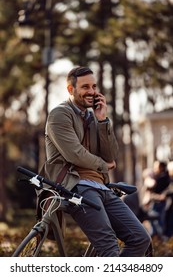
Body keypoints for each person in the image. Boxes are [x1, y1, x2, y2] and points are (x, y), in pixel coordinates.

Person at [41, 66, 151, 256]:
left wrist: (102, 121)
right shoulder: (60, 114)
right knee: (109, 246)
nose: (91, 92)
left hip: (102, 187)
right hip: (75, 186)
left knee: (141, 238)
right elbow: (75, 154)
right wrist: (103, 166)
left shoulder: (93, 117)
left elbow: (111, 155)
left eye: (94, 86)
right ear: (70, 89)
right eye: (85, 87)